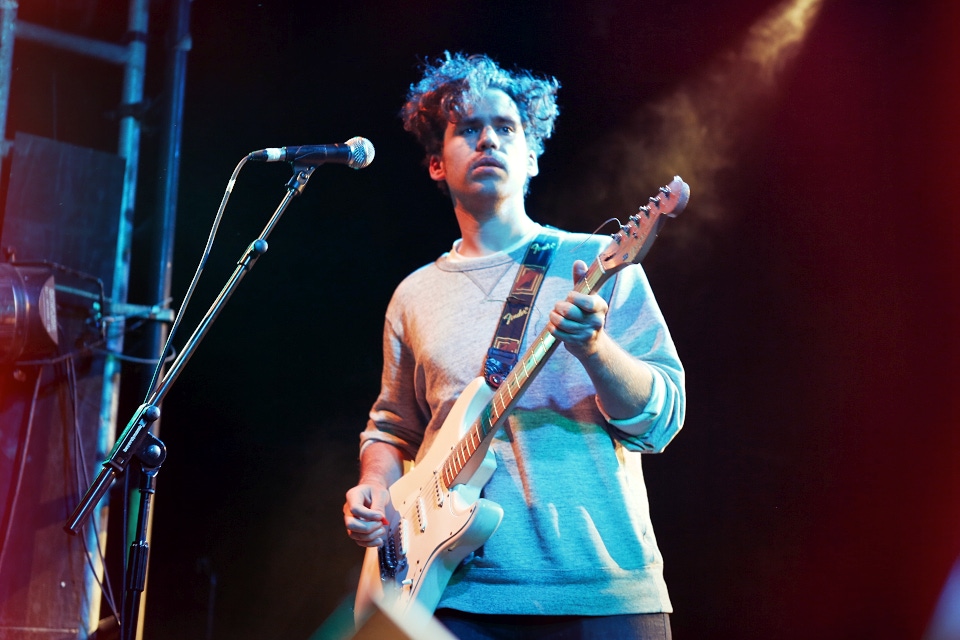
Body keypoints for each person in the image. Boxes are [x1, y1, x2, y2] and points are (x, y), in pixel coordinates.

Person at [343, 52, 685, 640]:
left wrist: (595, 350)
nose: (487, 141)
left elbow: (661, 418)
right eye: (467, 129)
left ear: (531, 156)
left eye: (506, 128)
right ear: (435, 164)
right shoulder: (413, 295)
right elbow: (390, 429)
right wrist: (375, 487)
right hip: (452, 598)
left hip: (600, 590)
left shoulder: (602, 266)